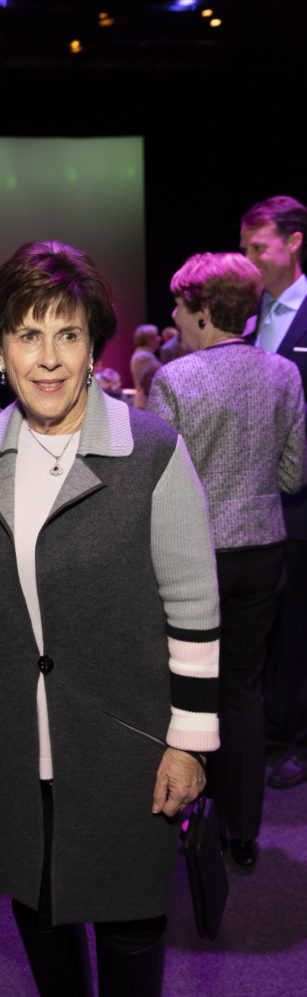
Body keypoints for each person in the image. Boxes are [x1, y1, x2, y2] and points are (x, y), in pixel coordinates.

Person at [0, 241, 220, 997]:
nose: (47, 359)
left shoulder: (149, 452)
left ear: (92, 346)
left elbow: (194, 603)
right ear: (1, 351)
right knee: (38, 907)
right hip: (13, 742)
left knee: (130, 922)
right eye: (27, 335)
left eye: (68, 334)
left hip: (124, 742)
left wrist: (188, 739)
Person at [148, 252, 306, 868]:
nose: (172, 316)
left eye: (179, 305)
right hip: (264, 552)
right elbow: (294, 475)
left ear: (205, 311)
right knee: (244, 692)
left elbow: (156, 487)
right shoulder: (283, 375)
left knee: (190, 693)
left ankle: (188, 824)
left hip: (196, 559)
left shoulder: (174, 380)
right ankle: (243, 838)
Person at [240, 195, 307, 788]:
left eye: (258, 248)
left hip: (303, 500)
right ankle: (281, 731)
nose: (250, 260)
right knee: (279, 629)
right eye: (245, 250)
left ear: (294, 243)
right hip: (264, 505)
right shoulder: (249, 315)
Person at [129, 322, 161, 388]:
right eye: (156, 335)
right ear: (148, 339)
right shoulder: (143, 357)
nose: (159, 338)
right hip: (147, 397)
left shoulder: (144, 354)